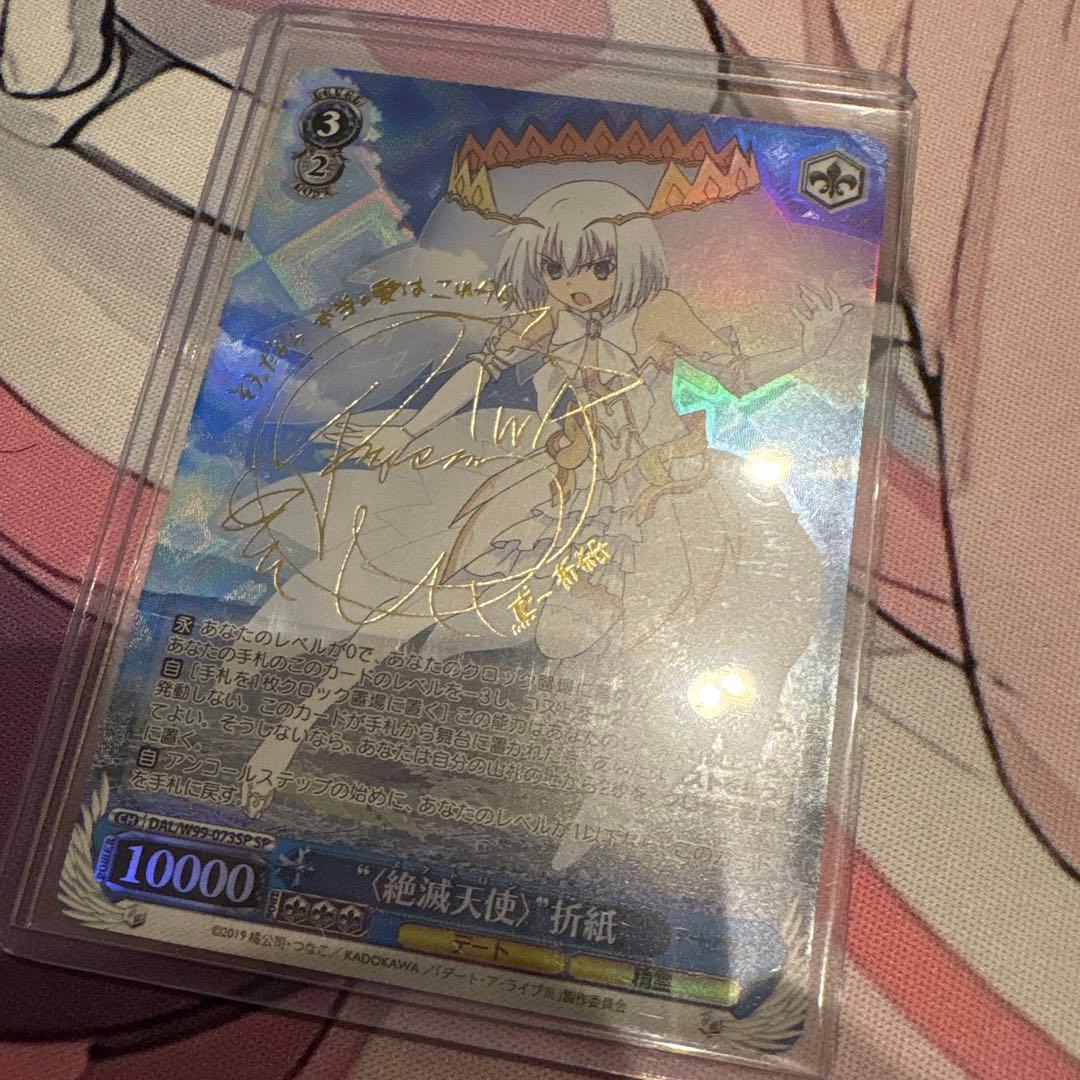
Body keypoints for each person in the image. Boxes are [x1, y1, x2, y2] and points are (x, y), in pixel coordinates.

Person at [237, 178, 843, 818]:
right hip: (573, 475)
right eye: (556, 268)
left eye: (599, 267)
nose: (576, 284)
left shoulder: (660, 312)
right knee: (432, 574)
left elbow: (737, 375)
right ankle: (288, 735)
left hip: (661, 487)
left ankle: (615, 802)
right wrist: (411, 430)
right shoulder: (550, 317)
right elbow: (480, 371)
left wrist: (809, 348)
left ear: (631, 258)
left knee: (648, 638)